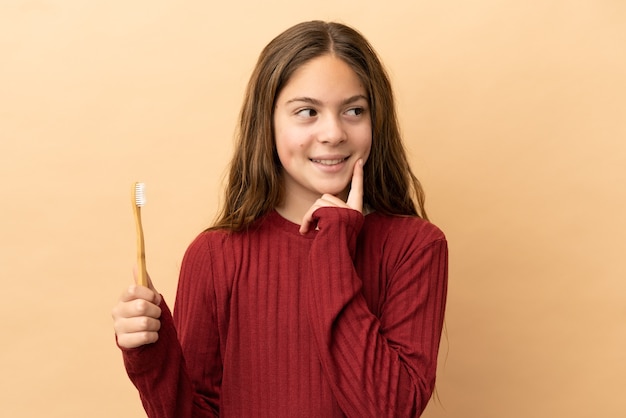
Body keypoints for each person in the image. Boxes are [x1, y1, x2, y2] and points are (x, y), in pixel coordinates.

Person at [112, 20, 448, 418]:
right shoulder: (214, 255)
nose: (333, 132)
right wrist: (152, 357)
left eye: (354, 110)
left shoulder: (416, 247)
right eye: (307, 112)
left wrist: (333, 242)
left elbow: (388, 410)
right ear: (268, 122)